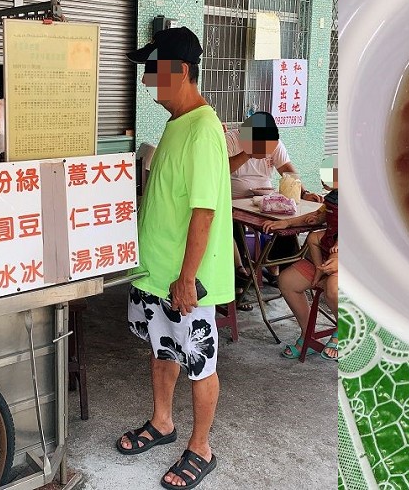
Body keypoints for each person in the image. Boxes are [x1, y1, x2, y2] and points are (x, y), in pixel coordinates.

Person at [117, 26, 231, 490]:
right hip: (156, 273)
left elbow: (203, 212)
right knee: (161, 350)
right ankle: (162, 423)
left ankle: (200, 447)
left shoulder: (204, 129)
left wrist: (187, 278)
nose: (150, 84)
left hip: (187, 280)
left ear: (181, 71)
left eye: (156, 73)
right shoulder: (176, 122)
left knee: (199, 362)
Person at [226, 112, 320, 290]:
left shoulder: (273, 142)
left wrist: (304, 192)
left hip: (265, 200)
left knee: (287, 224)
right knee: (232, 224)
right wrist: (249, 153)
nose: (267, 150)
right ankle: (241, 278)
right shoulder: (230, 140)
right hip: (234, 200)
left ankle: (280, 270)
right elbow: (221, 168)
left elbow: (287, 170)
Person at [265, 163, 338, 360]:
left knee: (332, 289)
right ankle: (309, 334)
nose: (324, 178)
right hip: (324, 258)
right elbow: (316, 217)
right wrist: (287, 222)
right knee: (287, 281)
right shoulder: (332, 199)